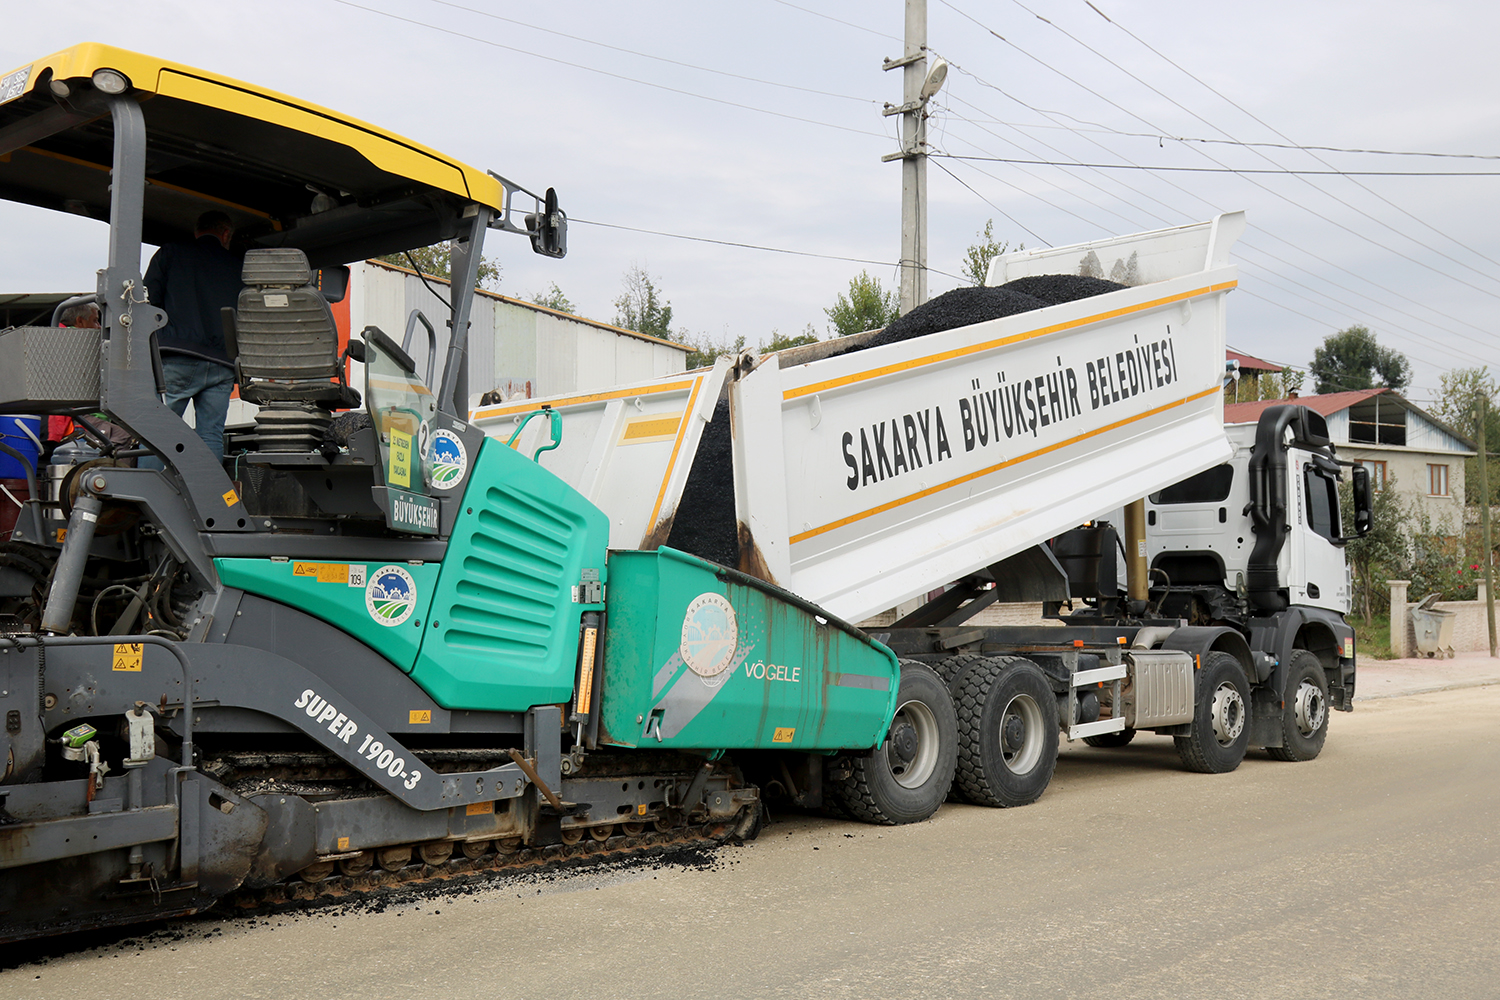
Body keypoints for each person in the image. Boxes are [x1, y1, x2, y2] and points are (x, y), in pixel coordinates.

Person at [143, 210, 242, 460]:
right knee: (210, 435)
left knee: (159, 432)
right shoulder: (238, 266)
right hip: (223, 363)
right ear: (226, 233)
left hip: (178, 356)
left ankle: (148, 496)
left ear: (197, 231)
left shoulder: (170, 253)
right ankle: (209, 497)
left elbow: (147, 303)